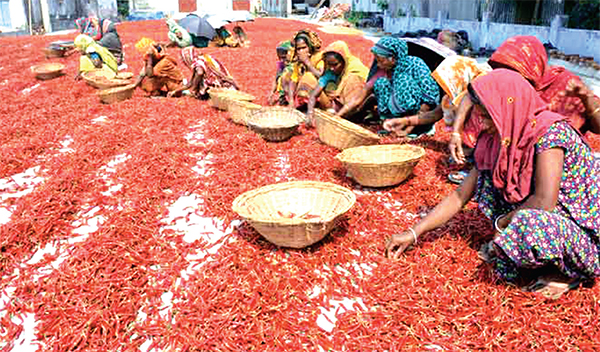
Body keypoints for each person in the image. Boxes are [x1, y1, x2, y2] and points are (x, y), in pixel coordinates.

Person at [386, 69, 600, 300]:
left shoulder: (550, 133)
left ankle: (568, 272)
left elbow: (544, 201)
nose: (484, 125)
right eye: (480, 117)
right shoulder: (497, 136)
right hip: (547, 217)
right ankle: (529, 249)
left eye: (487, 117)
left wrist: (501, 226)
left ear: (507, 107)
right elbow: (460, 195)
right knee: (488, 181)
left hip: (582, 234)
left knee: (530, 225)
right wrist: (413, 233)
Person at [450, 35, 600, 165]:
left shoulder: (565, 84)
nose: (507, 78)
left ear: (533, 68)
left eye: (514, 73)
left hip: (554, 158)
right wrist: (456, 132)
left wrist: (587, 99)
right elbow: (472, 96)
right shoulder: (506, 82)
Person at [336, 37, 440, 136]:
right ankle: (391, 124)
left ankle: (407, 128)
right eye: (377, 60)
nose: (378, 65)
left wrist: (408, 129)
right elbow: (360, 96)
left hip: (420, 120)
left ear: (393, 59)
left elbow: (428, 102)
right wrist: (337, 117)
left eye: (381, 60)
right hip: (396, 122)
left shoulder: (415, 65)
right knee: (381, 84)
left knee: (403, 81)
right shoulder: (386, 69)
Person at [306, 41, 368, 124]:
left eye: (335, 65)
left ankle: (354, 115)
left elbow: (367, 87)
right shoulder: (329, 73)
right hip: (339, 107)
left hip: (357, 103)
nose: (331, 68)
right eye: (329, 64)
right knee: (323, 84)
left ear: (344, 61)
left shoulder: (354, 68)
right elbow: (313, 95)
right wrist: (310, 113)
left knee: (352, 79)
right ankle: (341, 114)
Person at [168, 47, 238, 99]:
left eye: (184, 59)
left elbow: (199, 73)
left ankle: (203, 94)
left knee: (200, 84)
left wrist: (194, 89)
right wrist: (175, 91)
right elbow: (190, 83)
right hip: (225, 83)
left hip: (217, 86)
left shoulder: (198, 63)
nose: (184, 61)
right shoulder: (202, 58)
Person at [280, 29, 324, 109]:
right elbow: (293, 82)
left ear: (310, 47)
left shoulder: (319, 58)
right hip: (304, 93)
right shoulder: (299, 64)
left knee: (307, 77)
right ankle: (298, 103)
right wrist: (291, 101)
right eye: (298, 49)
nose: (301, 51)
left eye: (304, 48)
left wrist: (307, 63)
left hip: (320, 94)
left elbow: (321, 76)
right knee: (286, 76)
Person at [268, 40, 293, 106]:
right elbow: (276, 78)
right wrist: (272, 93)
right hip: (284, 95)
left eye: (284, 57)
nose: (281, 60)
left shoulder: (295, 66)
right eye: (279, 57)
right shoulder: (281, 64)